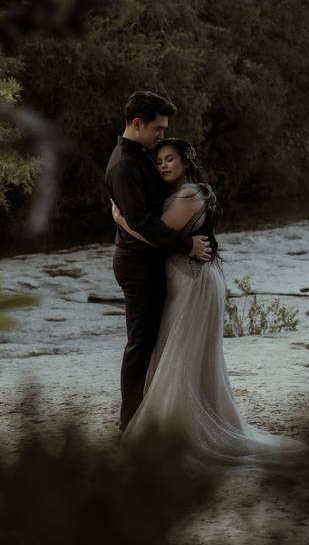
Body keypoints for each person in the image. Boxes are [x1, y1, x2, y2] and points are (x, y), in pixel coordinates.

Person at [112, 138, 309, 473]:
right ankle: (172, 422)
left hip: (192, 284)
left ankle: (176, 430)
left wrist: (121, 219)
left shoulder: (191, 194)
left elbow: (158, 235)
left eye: (169, 159)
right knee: (177, 353)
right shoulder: (179, 194)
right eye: (159, 160)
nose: (162, 165)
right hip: (185, 280)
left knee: (181, 356)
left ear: (185, 162)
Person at [105, 91, 212, 433]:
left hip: (148, 261)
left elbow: (147, 215)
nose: (161, 136)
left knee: (151, 344)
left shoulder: (140, 156)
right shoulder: (125, 163)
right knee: (140, 346)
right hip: (137, 264)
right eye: (159, 129)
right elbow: (143, 223)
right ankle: (129, 427)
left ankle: (148, 419)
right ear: (137, 124)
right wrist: (185, 245)